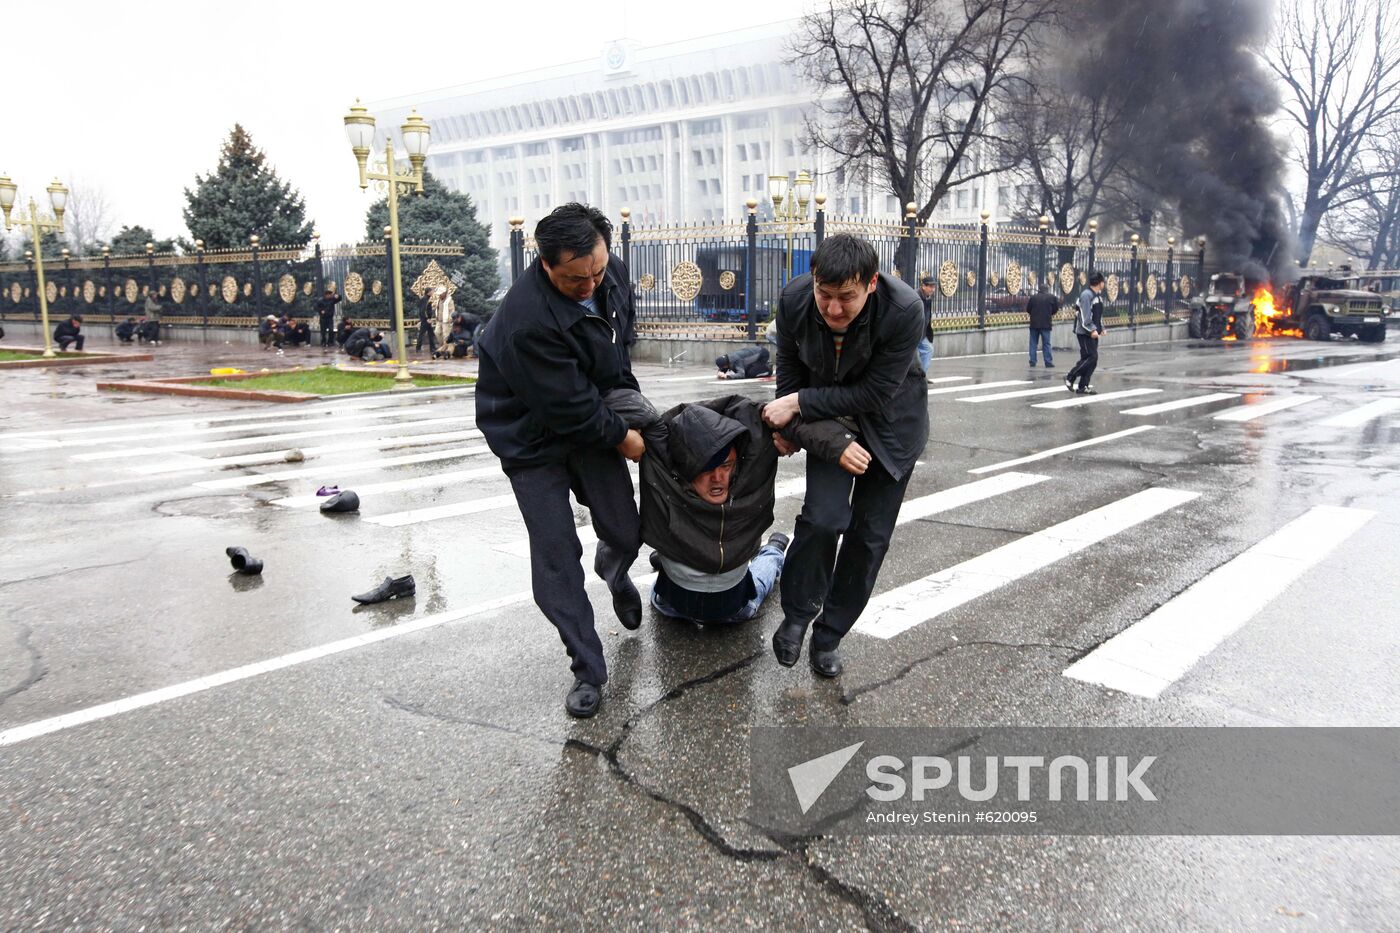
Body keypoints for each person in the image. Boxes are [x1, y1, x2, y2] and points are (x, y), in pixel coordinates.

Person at [474, 203, 645, 720]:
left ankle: (615, 570)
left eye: (596, 269)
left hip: (586, 413)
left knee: (627, 527)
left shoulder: (605, 271)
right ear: (546, 265)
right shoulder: (527, 322)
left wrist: (631, 405)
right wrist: (624, 438)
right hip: (530, 439)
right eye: (575, 278)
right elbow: (568, 409)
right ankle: (587, 668)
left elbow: (617, 350)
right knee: (556, 554)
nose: (590, 283)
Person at [762, 233, 929, 678]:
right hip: (831, 427)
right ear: (813, 280)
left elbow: (875, 393)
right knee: (823, 518)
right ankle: (798, 614)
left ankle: (830, 634)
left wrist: (797, 407)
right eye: (825, 294)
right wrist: (797, 429)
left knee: (868, 539)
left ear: (871, 284)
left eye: (847, 298)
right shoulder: (795, 301)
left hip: (891, 428)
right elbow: (788, 386)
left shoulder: (905, 309)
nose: (833, 309)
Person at [623, 392, 857, 626]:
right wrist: (621, 435)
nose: (717, 478)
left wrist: (837, 444)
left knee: (762, 575)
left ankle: (774, 550)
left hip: (736, 609)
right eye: (705, 469)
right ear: (685, 466)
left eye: (725, 465)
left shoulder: (748, 480)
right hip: (671, 607)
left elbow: (784, 420)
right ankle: (669, 558)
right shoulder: (665, 478)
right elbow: (623, 401)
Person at [1065, 272, 1105, 395]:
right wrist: (1092, 329)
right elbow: (1084, 316)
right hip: (1085, 333)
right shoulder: (1086, 295)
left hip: (1094, 332)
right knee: (1092, 357)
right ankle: (1071, 376)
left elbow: (1098, 315)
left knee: (1090, 359)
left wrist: (1101, 327)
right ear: (1099, 283)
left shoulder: (1097, 296)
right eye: (1103, 281)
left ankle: (1083, 386)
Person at [1026, 285, 1058, 368]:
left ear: (1039, 290)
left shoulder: (1033, 298)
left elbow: (1028, 309)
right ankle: (1048, 362)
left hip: (1034, 323)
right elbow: (1055, 309)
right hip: (1046, 323)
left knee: (1033, 343)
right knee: (1046, 343)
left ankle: (1032, 361)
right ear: (1047, 290)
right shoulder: (1051, 298)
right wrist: (1049, 314)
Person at [916, 275, 936, 373]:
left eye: (934, 287)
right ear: (923, 286)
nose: (933, 289)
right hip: (913, 333)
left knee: (928, 349)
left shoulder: (928, 298)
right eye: (931, 286)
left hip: (921, 333)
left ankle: (921, 376)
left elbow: (928, 316)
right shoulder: (916, 297)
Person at [415, 291, 437, 356]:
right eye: (431, 291)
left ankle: (432, 348)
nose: (432, 293)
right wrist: (427, 318)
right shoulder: (425, 299)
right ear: (428, 292)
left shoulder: (426, 299)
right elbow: (423, 310)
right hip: (426, 320)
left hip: (426, 320)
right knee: (423, 334)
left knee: (430, 334)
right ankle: (419, 348)